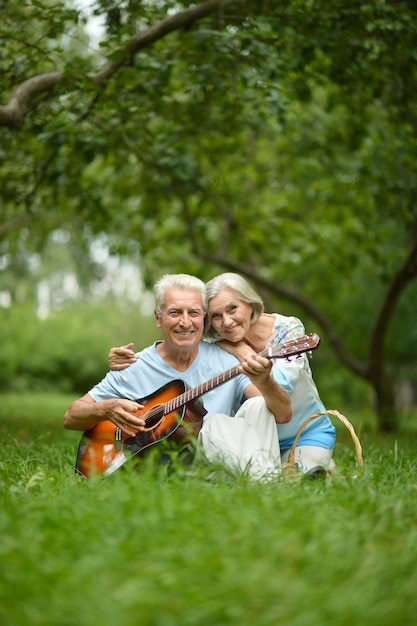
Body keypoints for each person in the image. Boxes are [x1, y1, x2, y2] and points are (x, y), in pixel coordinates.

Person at [64, 274, 292, 481]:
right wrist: (106, 408)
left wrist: (265, 380)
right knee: (212, 426)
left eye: (194, 313)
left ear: (203, 319)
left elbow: (281, 413)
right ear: (158, 318)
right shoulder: (133, 366)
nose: (185, 322)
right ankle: (271, 483)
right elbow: (71, 416)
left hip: (217, 465)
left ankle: (265, 480)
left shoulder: (227, 360)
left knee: (253, 407)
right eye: (175, 312)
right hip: (162, 471)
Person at [109, 273, 336, 476]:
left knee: (301, 478)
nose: (226, 322)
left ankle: (304, 465)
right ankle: (271, 471)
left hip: (303, 433)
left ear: (250, 304)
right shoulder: (216, 342)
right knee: (237, 437)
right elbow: (172, 351)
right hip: (254, 437)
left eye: (232, 309)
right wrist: (128, 359)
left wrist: (243, 353)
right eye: (216, 315)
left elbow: (282, 392)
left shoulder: (288, 330)